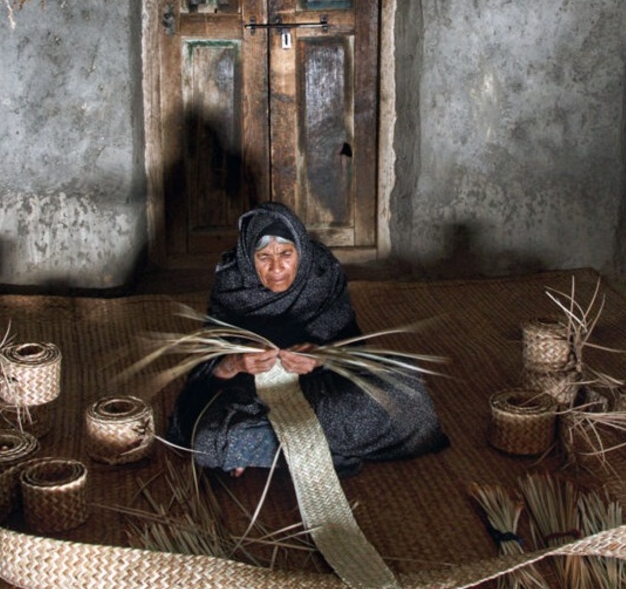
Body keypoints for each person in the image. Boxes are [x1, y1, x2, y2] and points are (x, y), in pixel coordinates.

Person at [167, 201, 449, 478]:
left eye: (286, 254)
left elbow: (351, 344)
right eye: (264, 257)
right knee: (205, 439)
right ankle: (323, 451)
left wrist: (322, 356)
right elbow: (205, 365)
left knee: (408, 401)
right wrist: (234, 363)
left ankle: (280, 450)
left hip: (323, 389)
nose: (276, 268)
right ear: (248, 258)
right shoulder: (233, 282)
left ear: (300, 250)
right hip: (251, 395)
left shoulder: (321, 273)